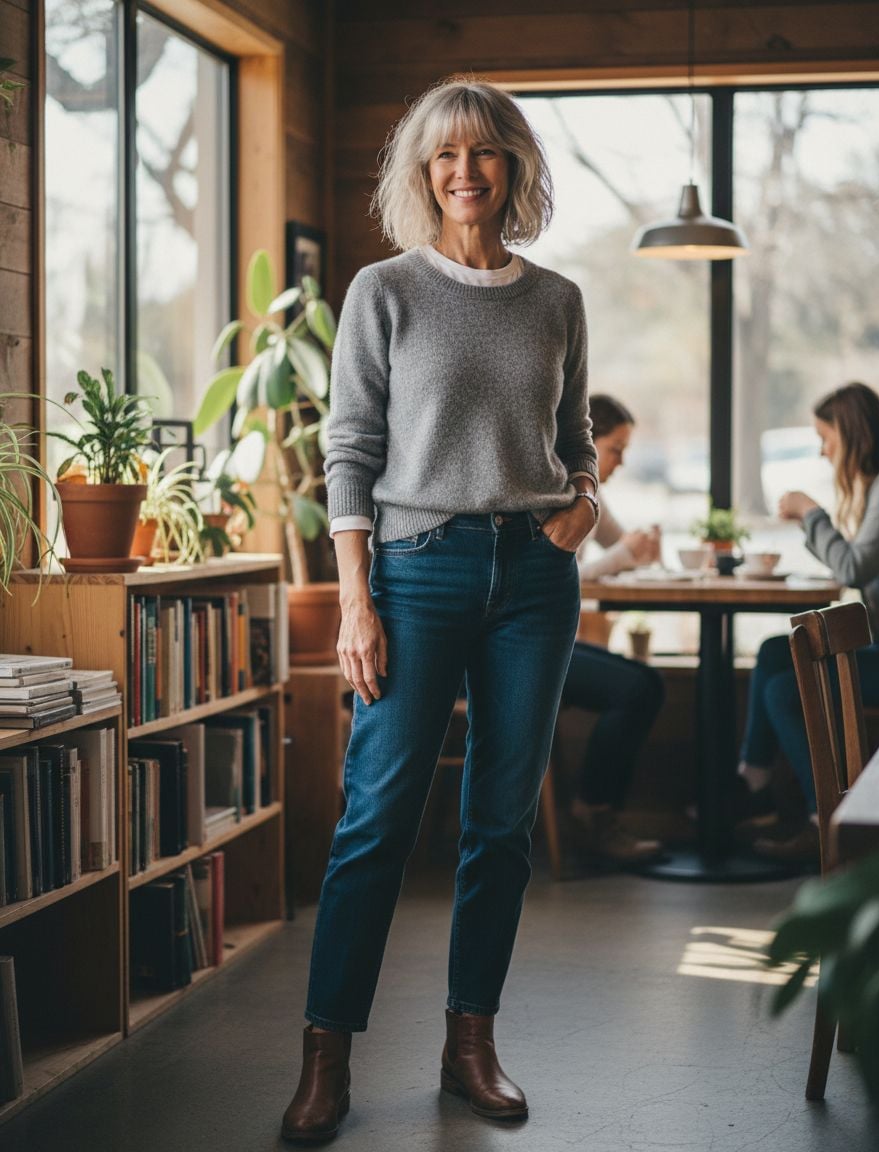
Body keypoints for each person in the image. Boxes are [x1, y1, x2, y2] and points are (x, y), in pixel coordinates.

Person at [281, 78, 600, 1142]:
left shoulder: (555, 299)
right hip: (415, 573)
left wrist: (583, 503)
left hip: (534, 581)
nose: (464, 173)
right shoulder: (384, 292)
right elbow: (350, 452)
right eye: (443, 158)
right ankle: (325, 1056)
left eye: (484, 154)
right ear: (423, 176)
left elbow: (574, 437)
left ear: (512, 165)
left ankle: (470, 1046)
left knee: (498, 827)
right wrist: (354, 602)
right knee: (375, 819)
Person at [737, 382, 879, 863]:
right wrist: (812, 523)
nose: (823, 450)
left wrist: (812, 514)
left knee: (783, 691)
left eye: (825, 438)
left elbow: (852, 568)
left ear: (851, 435)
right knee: (773, 652)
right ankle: (753, 782)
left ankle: (822, 822)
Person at [564, 394, 666, 864]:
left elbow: (619, 545)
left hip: (553, 639)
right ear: (589, 442)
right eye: (616, 449)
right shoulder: (557, 486)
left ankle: (598, 811)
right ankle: (593, 814)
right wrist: (625, 554)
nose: (621, 462)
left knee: (648, 681)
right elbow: (563, 576)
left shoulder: (589, 491)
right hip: (521, 647)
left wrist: (639, 546)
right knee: (635, 689)